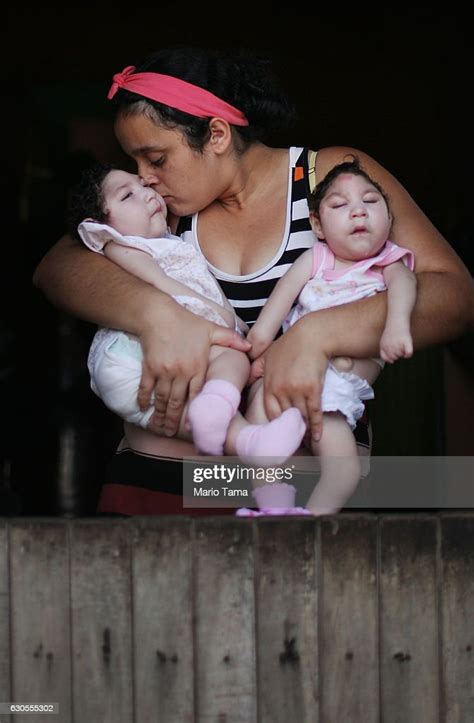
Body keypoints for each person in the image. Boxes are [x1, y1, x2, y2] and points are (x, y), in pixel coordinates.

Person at [33, 48, 473, 516]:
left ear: (217, 135)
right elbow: (55, 269)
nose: (146, 178)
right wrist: (156, 314)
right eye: (136, 163)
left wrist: (316, 334)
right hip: (161, 483)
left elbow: (455, 293)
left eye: (156, 158)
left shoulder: (326, 179)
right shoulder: (164, 213)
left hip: (302, 492)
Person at [68, 164, 307, 470]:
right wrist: (223, 323)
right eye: (128, 195)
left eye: (143, 186)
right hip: (132, 353)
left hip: (157, 360)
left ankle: (248, 440)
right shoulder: (121, 246)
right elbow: (164, 286)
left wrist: (237, 329)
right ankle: (234, 426)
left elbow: (210, 294)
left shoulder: (173, 243)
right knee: (229, 360)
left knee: (198, 409)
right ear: (100, 226)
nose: (147, 194)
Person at [237, 159, 416, 517]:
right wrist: (253, 352)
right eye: (339, 205)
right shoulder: (315, 260)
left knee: (342, 467)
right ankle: (272, 510)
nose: (358, 213)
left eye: (370, 201)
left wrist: (397, 327)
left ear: (390, 220)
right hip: (284, 380)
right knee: (257, 435)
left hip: (331, 395)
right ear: (317, 225)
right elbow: (274, 311)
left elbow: (405, 288)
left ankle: (310, 522)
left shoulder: (389, 265)